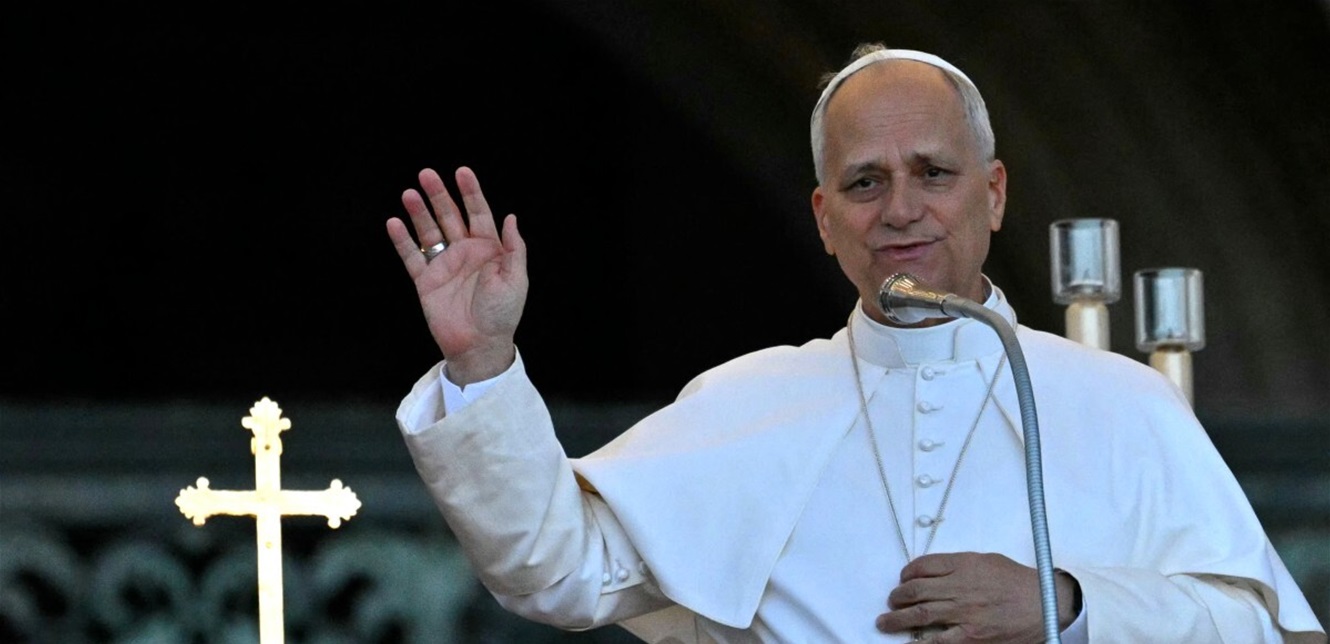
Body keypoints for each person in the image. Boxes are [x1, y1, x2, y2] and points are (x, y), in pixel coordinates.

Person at [384, 44, 1327, 643]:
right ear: (824, 217)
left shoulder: (1120, 401)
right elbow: (553, 569)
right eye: (865, 183)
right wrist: (482, 361)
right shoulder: (746, 401)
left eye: (934, 173)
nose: (901, 210)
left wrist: (1069, 605)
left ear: (995, 194)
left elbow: (1259, 628)